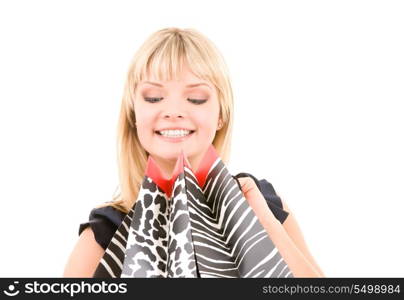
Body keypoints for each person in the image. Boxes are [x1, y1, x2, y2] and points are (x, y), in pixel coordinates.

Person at [63, 27, 324, 277]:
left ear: (221, 115)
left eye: (196, 98)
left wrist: (265, 226)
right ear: (134, 114)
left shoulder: (263, 204)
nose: (174, 111)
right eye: (154, 97)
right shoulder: (104, 234)